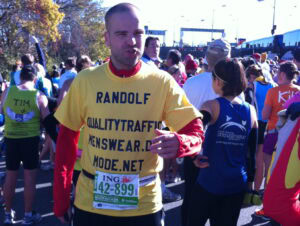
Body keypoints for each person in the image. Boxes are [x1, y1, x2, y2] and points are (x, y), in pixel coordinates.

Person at [53, 3, 204, 226]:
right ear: (107, 38)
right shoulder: (86, 80)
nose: (132, 41)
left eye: (138, 33)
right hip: (91, 205)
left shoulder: (161, 82)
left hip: (144, 208)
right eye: (122, 34)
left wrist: (181, 143)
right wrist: (61, 199)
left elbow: (196, 132)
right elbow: (66, 142)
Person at [187, 59, 258, 226]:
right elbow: (252, 153)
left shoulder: (211, 106)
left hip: (209, 182)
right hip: (236, 184)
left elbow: (195, 132)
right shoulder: (251, 111)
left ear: (217, 81)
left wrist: (194, 156)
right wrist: (250, 182)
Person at [181, 38, 231, 226]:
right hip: (221, 150)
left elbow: (182, 117)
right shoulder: (233, 88)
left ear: (206, 58)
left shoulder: (191, 83)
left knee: (191, 197)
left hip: (193, 147)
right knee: (218, 203)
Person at [1, 65, 49, 225]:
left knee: (10, 176)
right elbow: (47, 119)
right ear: (35, 79)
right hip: (30, 140)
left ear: (20, 77)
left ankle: (8, 214)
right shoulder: (38, 95)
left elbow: (2, 110)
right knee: (29, 179)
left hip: (11, 139)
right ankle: (28, 215)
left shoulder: (7, 91)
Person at [262, 61, 300, 190]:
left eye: (278, 72)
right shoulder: (299, 91)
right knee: (290, 167)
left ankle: (268, 193)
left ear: (282, 74)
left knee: (269, 166)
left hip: (274, 132)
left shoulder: (272, 91)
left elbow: (265, 116)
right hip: (294, 135)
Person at [244, 64, 276, 194]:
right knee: (264, 158)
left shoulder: (252, 86)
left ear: (251, 75)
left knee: (253, 156)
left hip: (254, 123)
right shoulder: (272, 85)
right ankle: (263, 187)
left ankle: (251, 189)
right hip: (269, 124)